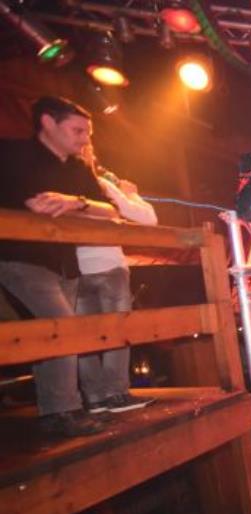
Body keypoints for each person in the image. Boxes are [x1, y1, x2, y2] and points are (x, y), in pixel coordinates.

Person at [0, 96, 119, 437]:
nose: (85, 139)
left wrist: (76, 202)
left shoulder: (78, 169)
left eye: (87, 132)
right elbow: (33, 204)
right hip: (20, 257)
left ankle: (57, 412)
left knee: (55, 333)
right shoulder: (12, 154)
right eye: (78, 130)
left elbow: (110, 211)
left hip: (65, 263)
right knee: (64, 328)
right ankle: (62, 411)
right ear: (48, 123)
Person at [75, 143, 156, 413]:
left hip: (74, 270)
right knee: (118, 332)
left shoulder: (58, 186)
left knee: (83, 337)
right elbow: (148, 218)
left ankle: (94, 398)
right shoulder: (100, 184)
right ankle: (116, 394)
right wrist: (132, 194)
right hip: (109, 266)